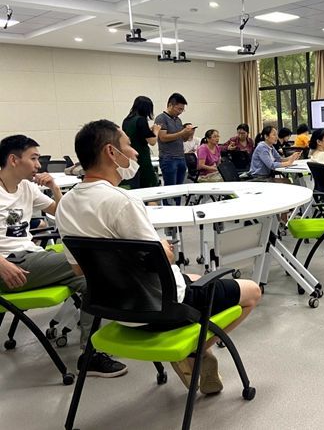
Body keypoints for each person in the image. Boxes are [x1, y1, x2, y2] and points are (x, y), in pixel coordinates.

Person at [56, 119, 261, 394]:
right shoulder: (122, 202)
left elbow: (79, 270)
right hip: (159, 309)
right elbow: (163, 261)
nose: (135, 152)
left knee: (194, 276)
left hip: (114, 308)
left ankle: (193, 352)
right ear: (110, 152)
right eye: (129, 145)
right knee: (252, 291)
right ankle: (193, 351)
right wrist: (163, 248)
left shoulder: (66, 204)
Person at [0, 134, 127, 377]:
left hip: (32, 259)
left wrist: (55, 189)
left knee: (92, 280)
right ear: (13, 160)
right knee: (92, 259)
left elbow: (61, 212)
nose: (39, 164)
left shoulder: (27, 187)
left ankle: (90, 354)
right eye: (33, 158)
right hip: (10, 267)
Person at [155, 93, 195, 198]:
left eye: (182, 110)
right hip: (168, 158)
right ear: (170, 105)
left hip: (181, 157)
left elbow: (183, 139)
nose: (180, 112)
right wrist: (182, 132)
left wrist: (188, 133)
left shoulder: (178, 120)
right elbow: (163, 137)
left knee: (179, 189)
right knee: (170, 189)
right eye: (179, 109)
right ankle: (169, 206)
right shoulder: (161, 118)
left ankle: (178, 205)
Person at [121, 96, 161, 189]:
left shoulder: (126, 120)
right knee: (147, 183)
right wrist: (156, 130)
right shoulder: (141, 120)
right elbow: (152, 141)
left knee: (135, 183)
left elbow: (136, 134)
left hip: (129, 156)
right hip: (142, 156)